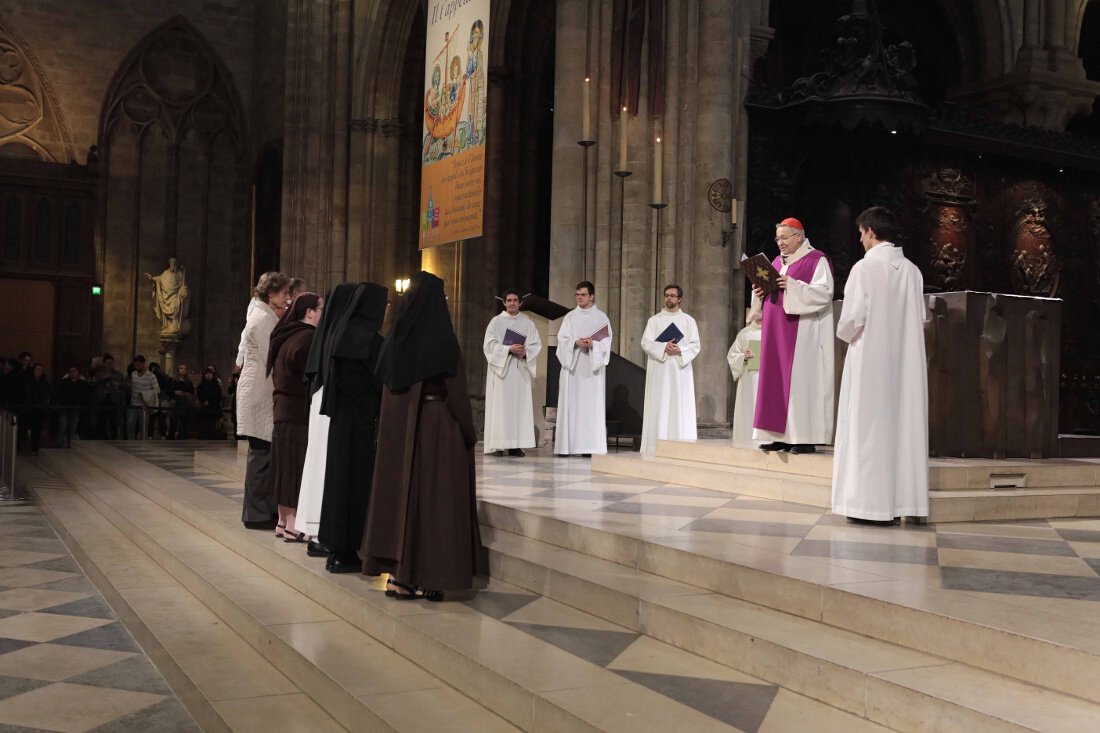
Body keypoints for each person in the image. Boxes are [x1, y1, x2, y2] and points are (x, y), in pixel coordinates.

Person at [361, 271, 480, 601]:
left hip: (400, 435)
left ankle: (399, 577)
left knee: (404, 503)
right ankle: (430, 576)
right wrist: (468, 434)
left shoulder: (396, 340)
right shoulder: (442, 341)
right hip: (437, 430)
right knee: (435, 504)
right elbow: (457, 396)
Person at [832, 207, 929, 523]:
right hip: (905, 366)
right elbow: (920, 318)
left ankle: (868, 507)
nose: (860, 239)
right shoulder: (913, 271)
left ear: (871, 231)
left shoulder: (864, 269)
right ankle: (902, 505)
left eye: (861, 232)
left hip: (870, 361)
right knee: (901, 428)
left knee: (868, 429)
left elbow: (851, 320)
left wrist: (842, 331)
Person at [317, 283, 388, 572]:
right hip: (360, 424)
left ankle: (336, 546)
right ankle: (349, 550)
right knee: (355, 485)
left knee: (337, 484)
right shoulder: (369, 340)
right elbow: (374, 381)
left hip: (341, 423)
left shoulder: (340, 333)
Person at [751, 217, 835, 454]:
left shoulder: (816, 260)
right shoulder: (777, 262)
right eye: (777, 238)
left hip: (802, 333)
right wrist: (759, 292)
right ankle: (777, 436)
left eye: (784, 237)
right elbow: (772, 291)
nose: (780, 243)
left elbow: (824, 293)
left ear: (799, 236)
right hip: (774, 332)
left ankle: (802, 437)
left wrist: (793, 285)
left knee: (799, 382)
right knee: (773, 381)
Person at [295, 283, 361, 559]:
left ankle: (314, 527)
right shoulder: (343, 334)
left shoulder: (326, 332)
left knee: (319, 465)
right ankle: (321, 528)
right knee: (324, 465)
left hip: (321, 403)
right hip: (330, 408)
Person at [236, 271, 291, 528]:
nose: (287, 297)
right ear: (270, 294)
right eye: (283, 293)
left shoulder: (262, 314)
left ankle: (261, 510)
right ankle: (256, 514)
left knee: (264, 453)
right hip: (259, 391)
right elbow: (273, 356)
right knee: (261, 454)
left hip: (259, 388)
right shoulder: (262, 318)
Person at [267, 293, 323, 541]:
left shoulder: (286, 335)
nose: (323, 314)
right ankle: (293, 524)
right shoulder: (308, 338)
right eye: (321, 308)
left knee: (283, 465)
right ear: (309, 312)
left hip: (282, 409)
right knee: (295, 466)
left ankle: (282, 520)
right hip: (298, 411)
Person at [639, 284, 701, 454]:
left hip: (680, 371)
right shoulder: (655, 320)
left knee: (679, 406)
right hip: (660, 369)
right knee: (660, 405)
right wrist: (664, 347)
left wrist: (680, 349)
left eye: (673, 296)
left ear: (680, 299)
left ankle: (681, 448)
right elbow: (646, 343)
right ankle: (654, 446)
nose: (669, 298)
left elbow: (696, 345)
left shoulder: (688, 321)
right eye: (667, 295)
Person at [554, 281, 612, 456]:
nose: (579, 297)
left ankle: (589, 447)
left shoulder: (601, 318)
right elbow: (562, 341)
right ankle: (567, 447)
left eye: (583, 294)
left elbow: (607, 343)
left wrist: (593, 344)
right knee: (571, 405)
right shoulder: (570, 317)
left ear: (592, 296)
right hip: (573, 367)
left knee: (589, 407)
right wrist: (575, 343)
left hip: (591, 370)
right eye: (577, 294)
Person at [482, 289, 542, 457]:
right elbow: (488, 346)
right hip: (502, 372)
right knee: (502, 407)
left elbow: (535, 344)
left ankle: (516, 445)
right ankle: (499, 446)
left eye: (515, 300)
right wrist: (508, 348)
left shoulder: (528, 322)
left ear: (520, 303)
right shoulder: (496, 322)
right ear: (504, 303)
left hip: (520, 371)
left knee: (518, 407)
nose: (512, 303)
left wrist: (526, 352)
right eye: (509, 300)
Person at [726, 313, 764, 448]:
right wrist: (744, 357)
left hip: (768, 380)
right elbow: (732, 356)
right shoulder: (745, 333)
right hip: (749, 379)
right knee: (749, 410)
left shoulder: (773, 330)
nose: (760, 314)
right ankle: (746, 441)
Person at [145, 257, 191, 338]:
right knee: (168, 310)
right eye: (172, 264)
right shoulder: (165, 273)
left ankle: (174, 325)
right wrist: (151, 278)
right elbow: (159, 279)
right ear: (170, 264)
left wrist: (185, 273)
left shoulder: (179, 273)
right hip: (166, 298)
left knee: (175, 307)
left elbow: (183, 284)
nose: (173, 266)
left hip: (175, 297)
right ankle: (168, 326)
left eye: (174, 264)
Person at [54, 365, 91, 448]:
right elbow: (59, 394)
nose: (73, 373)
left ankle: (70, 445)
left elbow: (85, 395)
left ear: (78, 372)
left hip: (76, 408)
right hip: (64, 407)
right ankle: (59, 445)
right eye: (71, 371)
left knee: (72, 428)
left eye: (75, 371)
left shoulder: (82, 383)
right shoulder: (64, 382)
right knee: (62, 427)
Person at [126, 355, 159, 439]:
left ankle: (143, 445)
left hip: (144, 406)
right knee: (130, 425)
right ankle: (130, 444)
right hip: (133, 404)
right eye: (135, 365)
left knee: (143, 428)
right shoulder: (133, 374)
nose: (137, 367)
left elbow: (157, 390)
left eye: (139, 365)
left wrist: (144, 394)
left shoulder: (151, 376)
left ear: (143, 364)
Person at [92, 354, 124, 439]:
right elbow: (94, 383)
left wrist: (117, 384)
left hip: (113, 400)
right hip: (102, 400)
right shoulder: (98, 374)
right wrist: (104, 379)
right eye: (107, 363)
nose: (109, 365)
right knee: (101, 422)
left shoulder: (117, 374)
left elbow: (122, 384)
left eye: (111, 363)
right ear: (104, 363)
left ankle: (114, 439)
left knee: (113, 422)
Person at [22, 364, 50, 455]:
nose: (39, 372)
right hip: (30, 408)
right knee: (27, 428)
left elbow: (47, 394)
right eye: (37, 369)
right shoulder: (28, 381)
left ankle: (35, 447)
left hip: (40, 409)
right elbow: (27, 393)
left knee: (37, 430)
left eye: (41, 370)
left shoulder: (45, 383)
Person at [196, 368, 224, 438]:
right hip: (204, 408)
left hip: (214, 408)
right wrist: (203, 401)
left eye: (210, 374)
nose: (208, 375)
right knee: (204, 425)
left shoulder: (216, 385)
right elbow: (199, 395)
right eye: (207, 374)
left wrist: (212, 401)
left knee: (213, 425)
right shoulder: (201, 385)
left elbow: (219, 396)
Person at [169, 364, 196, 439]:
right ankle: (171, 436)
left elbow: (191, 393)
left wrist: (184, 394)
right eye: (181, 368)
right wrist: (175, 393)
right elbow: (170, 391)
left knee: (184, 421)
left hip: (185, 403)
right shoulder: (173, 380)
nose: (183, 370)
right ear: (178, 370)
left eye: (185, 368)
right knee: (173, 421)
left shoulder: (188, 382)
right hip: (175, 402)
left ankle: (183, 436)